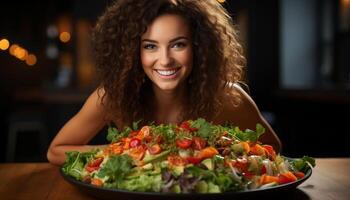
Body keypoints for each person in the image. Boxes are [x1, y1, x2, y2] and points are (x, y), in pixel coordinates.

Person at [47, 0, 281, 165]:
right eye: (150, 46)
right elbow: (56, 151)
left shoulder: (229, 97)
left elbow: (274, 150)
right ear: (132, 52)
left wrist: (224, 157)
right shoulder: (112, 96)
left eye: (178, 44)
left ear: (199, 47)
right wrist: (120, 152)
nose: (165, 60)